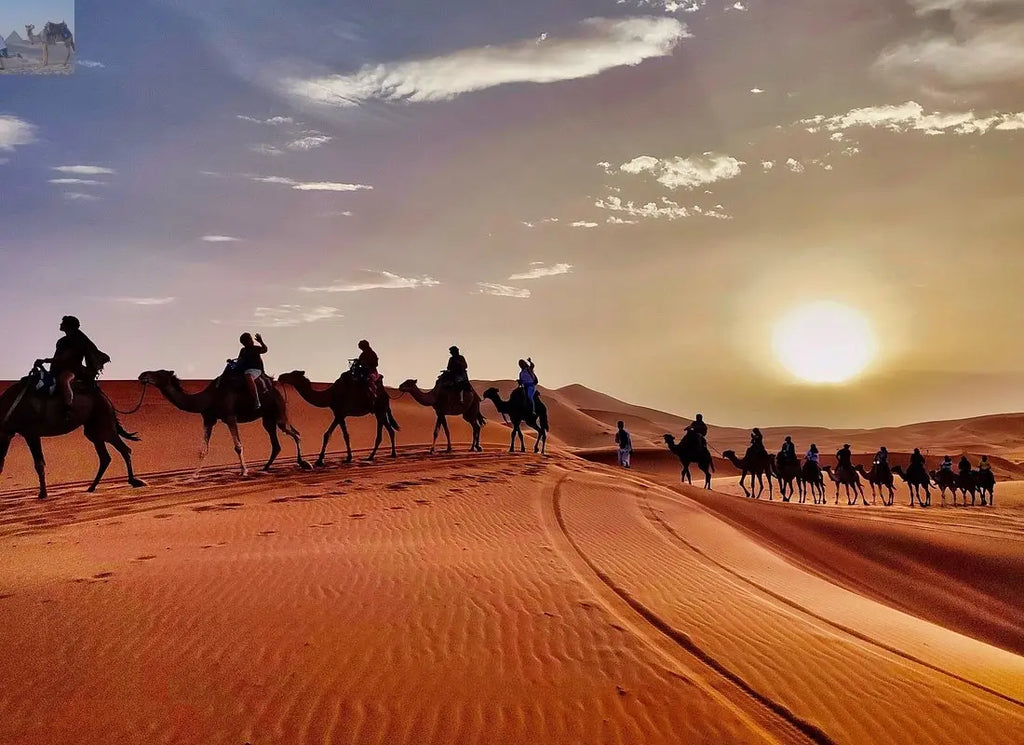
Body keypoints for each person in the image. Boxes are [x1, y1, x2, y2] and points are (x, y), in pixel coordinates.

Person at [34, 315, 110, 420]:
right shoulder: (62, 341)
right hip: (58, 368)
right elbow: (59, 357)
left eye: (63, 322)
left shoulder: (78, 340)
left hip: (73, 369)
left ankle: (68, 409)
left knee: (64, 380)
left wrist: (45, 360)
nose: (60, 324)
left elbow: (66, 357)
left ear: (69, 325)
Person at [236, 332, 268, 409]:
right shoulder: (243, 350)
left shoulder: (255, 348)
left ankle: (257, 400)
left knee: (248, 376)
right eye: (249, 339)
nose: (251, 340)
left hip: (255, 370)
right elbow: (239, 360)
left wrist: (261, 342)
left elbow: (264, 350)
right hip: (245, 370)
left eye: (250, 339)